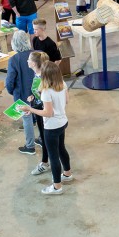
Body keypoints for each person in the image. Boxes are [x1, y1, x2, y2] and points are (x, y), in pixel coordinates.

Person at [20, 61, 73, 195]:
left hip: (52, 127)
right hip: (63, 122)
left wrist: (30, 109)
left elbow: (48, 113)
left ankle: (56, 187)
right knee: (61, 148)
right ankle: (67, 174)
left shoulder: (46, 91)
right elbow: (66, 101)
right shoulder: (62, 84)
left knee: (53, 156)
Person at [5, 31, 36, 155]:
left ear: (14, 43)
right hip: (39, 92)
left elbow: (10, 80)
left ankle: (30, 146)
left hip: (22, 93)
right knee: (41, 116)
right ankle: (42, 139)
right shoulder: (37, 54)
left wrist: (11, 91)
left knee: (27, 119)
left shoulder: (14, 59)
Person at [26, 51, 50, 175]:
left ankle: (45, 163)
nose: (27, 61)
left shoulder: (42, 78)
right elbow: (39, 94)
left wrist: (31, 109)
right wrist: (33, 96)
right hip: (39, 109)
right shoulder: (37, 75)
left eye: (29, 60)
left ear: (34, 63)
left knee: (46, 138)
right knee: (44, 137)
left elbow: (46, 100)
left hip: (44, 113)